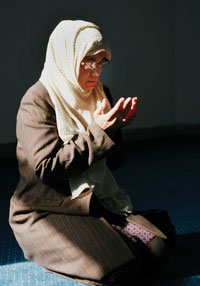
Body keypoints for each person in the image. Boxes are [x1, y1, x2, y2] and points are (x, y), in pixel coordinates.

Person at [9, 20, 175, 286]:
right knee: (118, 270)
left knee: (157, 250)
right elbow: (48, 170)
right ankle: (50, 252)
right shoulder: (37, 100)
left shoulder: (100, 94)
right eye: (88, 61)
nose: (95, 72)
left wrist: (115, 129)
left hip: (92, 201)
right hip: (45, 209)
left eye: (101, 62)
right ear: (67, 55)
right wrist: (100, 131)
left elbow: (115, 163)